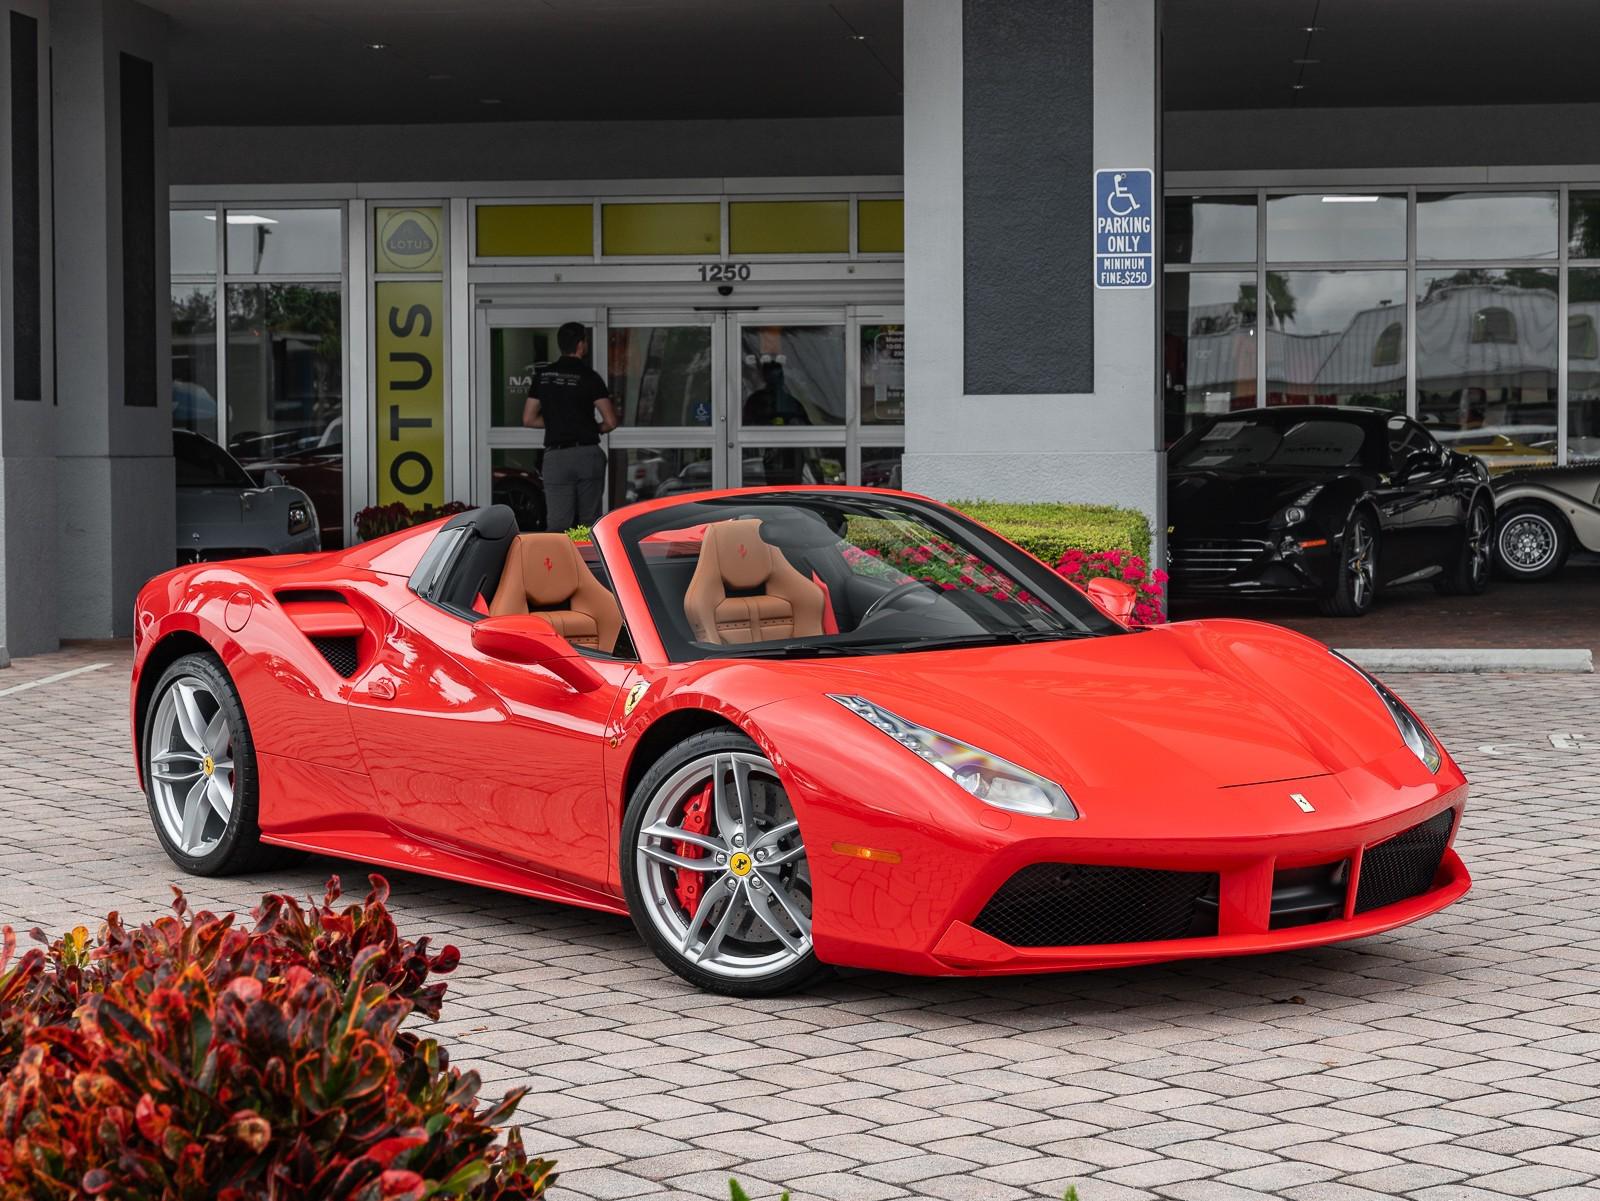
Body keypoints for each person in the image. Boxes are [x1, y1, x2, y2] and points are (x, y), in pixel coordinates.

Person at [523, 322, 619, 532]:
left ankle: (558, 554)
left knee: (558, 523)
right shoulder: (590, 377)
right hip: (587, 454)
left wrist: (557, 422)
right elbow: (611, 421)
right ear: (580, 345)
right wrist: (591, 427)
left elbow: (529, 419)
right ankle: (587, 554)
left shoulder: (543, 376)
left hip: (556, 458)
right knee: (589, 522)